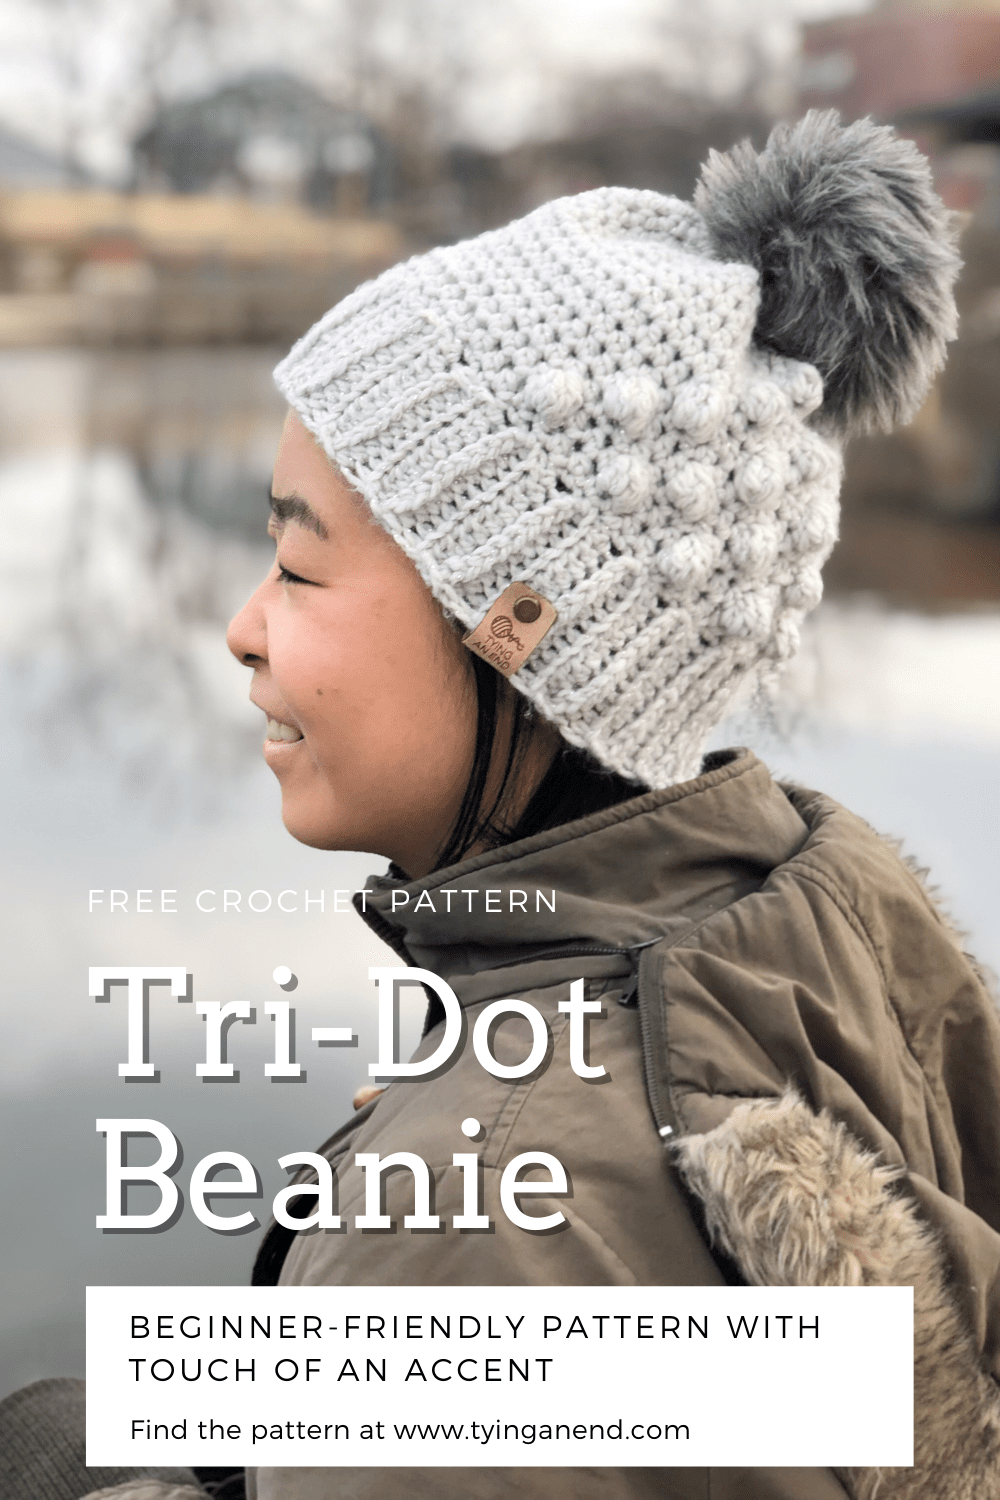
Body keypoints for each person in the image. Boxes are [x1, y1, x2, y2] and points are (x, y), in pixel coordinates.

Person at [13, 110, 994, 1500]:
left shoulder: (476, 1212)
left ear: (520, 623)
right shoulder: (823, 915)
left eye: (298, 568)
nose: (243, 628)